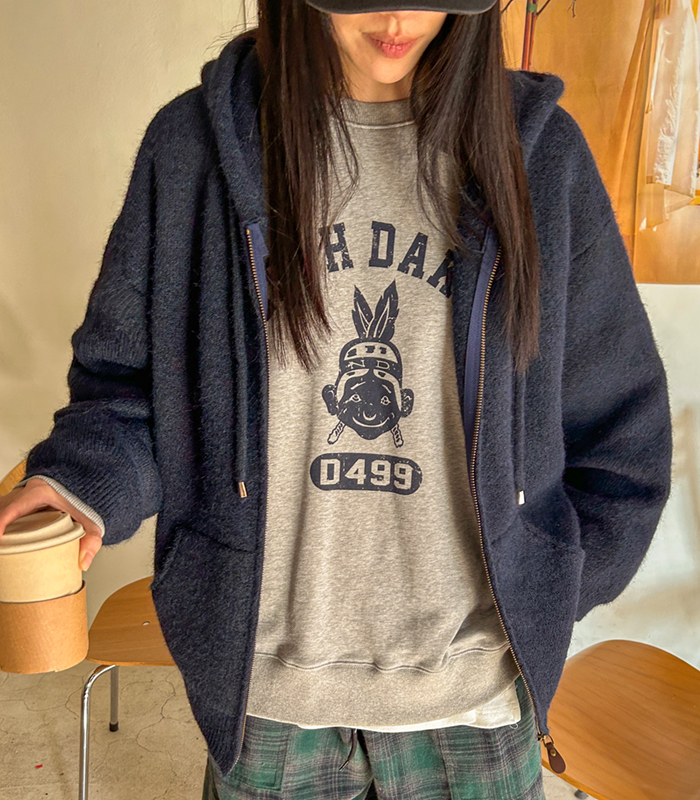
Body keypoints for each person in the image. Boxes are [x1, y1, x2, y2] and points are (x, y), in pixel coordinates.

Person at [0, 0, 673, 797]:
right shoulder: (194, 152)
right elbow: (130, 389)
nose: (398, 14)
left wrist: (544, 585)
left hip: (474, 699)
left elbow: (619, 426)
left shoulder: (542, 159)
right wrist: (80, 481)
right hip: (270, 698)